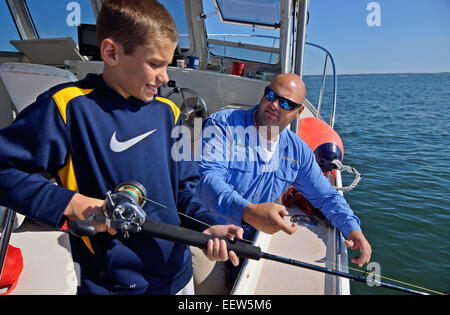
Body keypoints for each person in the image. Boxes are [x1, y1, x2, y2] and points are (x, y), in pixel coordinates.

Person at [0, 0, 242, 295]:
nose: (164, 77)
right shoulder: (67, 108)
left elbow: (184, 192)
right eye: (154, 64)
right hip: (110, 284)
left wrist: (207, 224)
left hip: (176, 277)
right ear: (111, 52)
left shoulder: (170, 113)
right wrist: (72, 204)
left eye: (167, 65)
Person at [193, 73, 372, 294]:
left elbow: (326, 196)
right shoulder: (225, 125)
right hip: (208, 229)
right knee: (209, 287)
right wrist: (248, 212)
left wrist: (352, 228)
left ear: (299, 112)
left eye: (286, 103)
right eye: (271, 95)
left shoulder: (297, 152)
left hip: (253, 238)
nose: (274, 105)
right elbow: (207, 178)